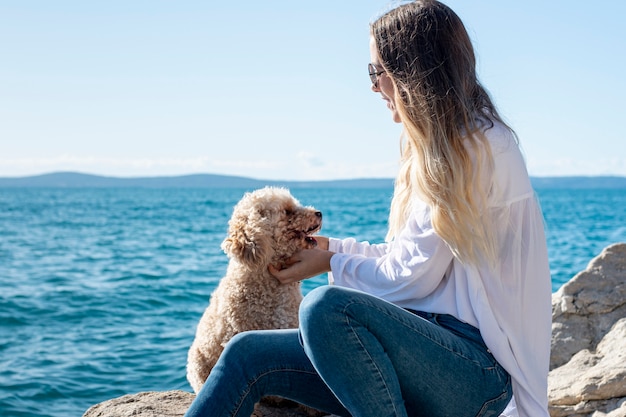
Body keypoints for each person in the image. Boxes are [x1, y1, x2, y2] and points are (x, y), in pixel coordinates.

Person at [184, 1, 552, 416]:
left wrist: (329, 263)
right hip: (430, 355)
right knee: (245, 353)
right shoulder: (449, 147)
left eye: (378, 72)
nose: (374, 87)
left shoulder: (476, 149)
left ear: (414, 73)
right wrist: (331, 250)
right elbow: (409, 260)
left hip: (481, 377)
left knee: (325, 307)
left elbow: (408, 280)